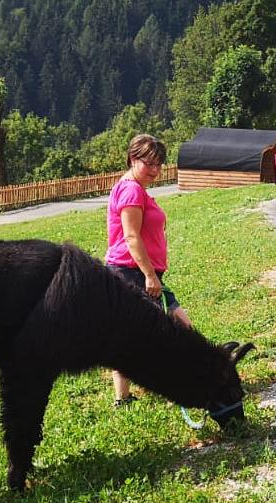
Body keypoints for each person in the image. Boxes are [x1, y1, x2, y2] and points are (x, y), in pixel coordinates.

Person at [105, 134, 193, 406]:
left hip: (132, 272)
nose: (155, 170)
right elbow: (131, 237)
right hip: (132, 273)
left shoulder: (131, 187)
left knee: (133, 336)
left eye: (159, 164)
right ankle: (176, 388)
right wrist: (150, 276)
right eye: (149, 163)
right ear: (133, 159)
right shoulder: (131, 190)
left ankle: (123, 398)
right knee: (169, 333)